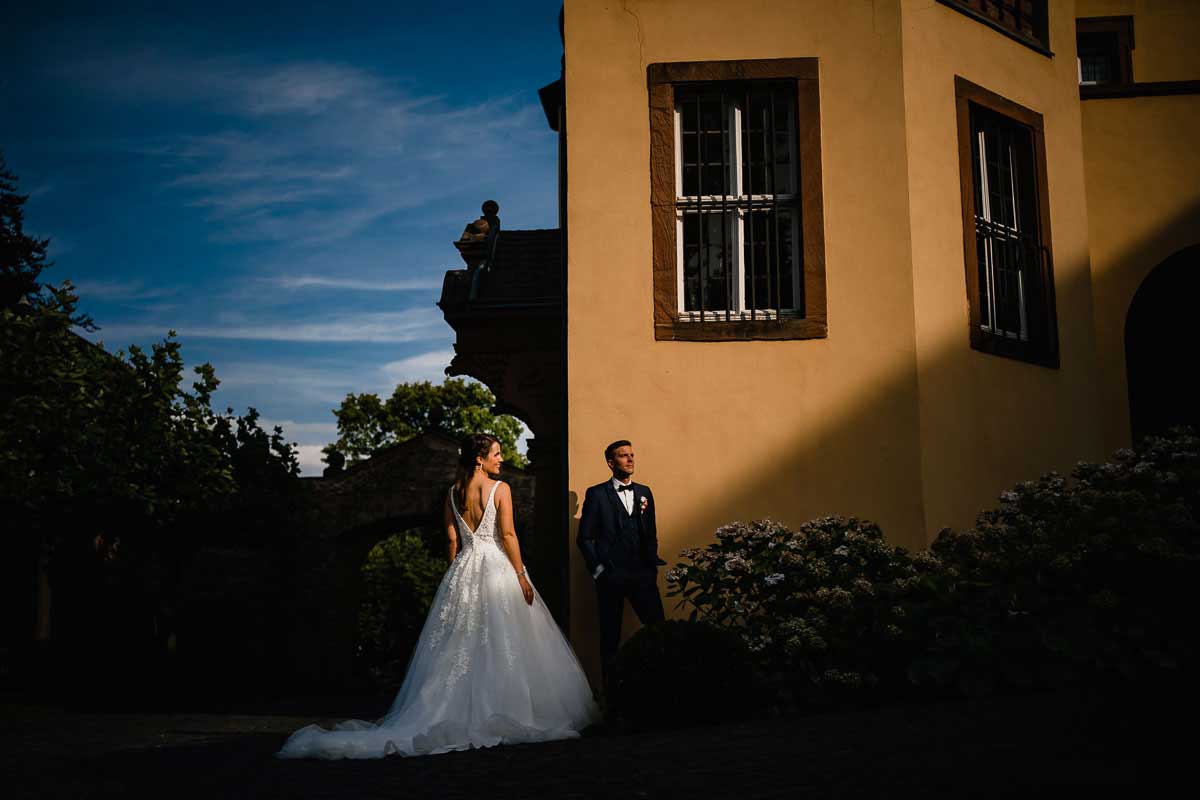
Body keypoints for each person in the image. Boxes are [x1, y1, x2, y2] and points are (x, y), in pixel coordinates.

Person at [277, 433, 600, 759]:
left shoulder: (451, 494)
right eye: (497, 454)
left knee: (460, 643)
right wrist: (520, 575)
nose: (502, 459)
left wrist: (457, 574)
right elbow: (508, 534)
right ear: (480, 458)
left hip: (465, 566)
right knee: (506, 639)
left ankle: (453, 710)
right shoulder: (500, 490)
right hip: (497, 566)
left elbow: (451, 543)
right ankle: (509, 710)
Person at [575, 439, 667, 694]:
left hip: (642, 575)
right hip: (611, 577)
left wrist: (651, 567)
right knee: (610, 638)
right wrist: (599, 571)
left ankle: (663, 689)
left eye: (632, 455)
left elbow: (651, 533)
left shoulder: (644, 493)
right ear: (610, 462)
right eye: (623, 456)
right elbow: (584, 538)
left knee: (659, 631)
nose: (630, 459)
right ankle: (612, 698)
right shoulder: (597, 494)